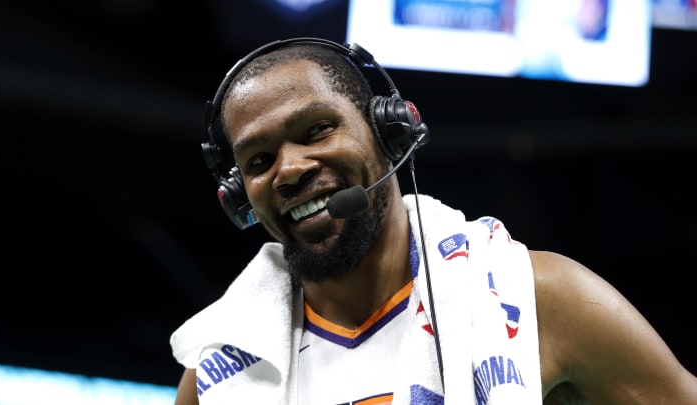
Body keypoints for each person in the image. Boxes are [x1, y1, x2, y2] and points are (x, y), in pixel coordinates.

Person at [169, 37, 697, 404]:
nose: (288, 170)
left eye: (316, 131)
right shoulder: (217, 374)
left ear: (390, 132)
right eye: (258, 162)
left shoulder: (542, 300)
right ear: (241, 200)